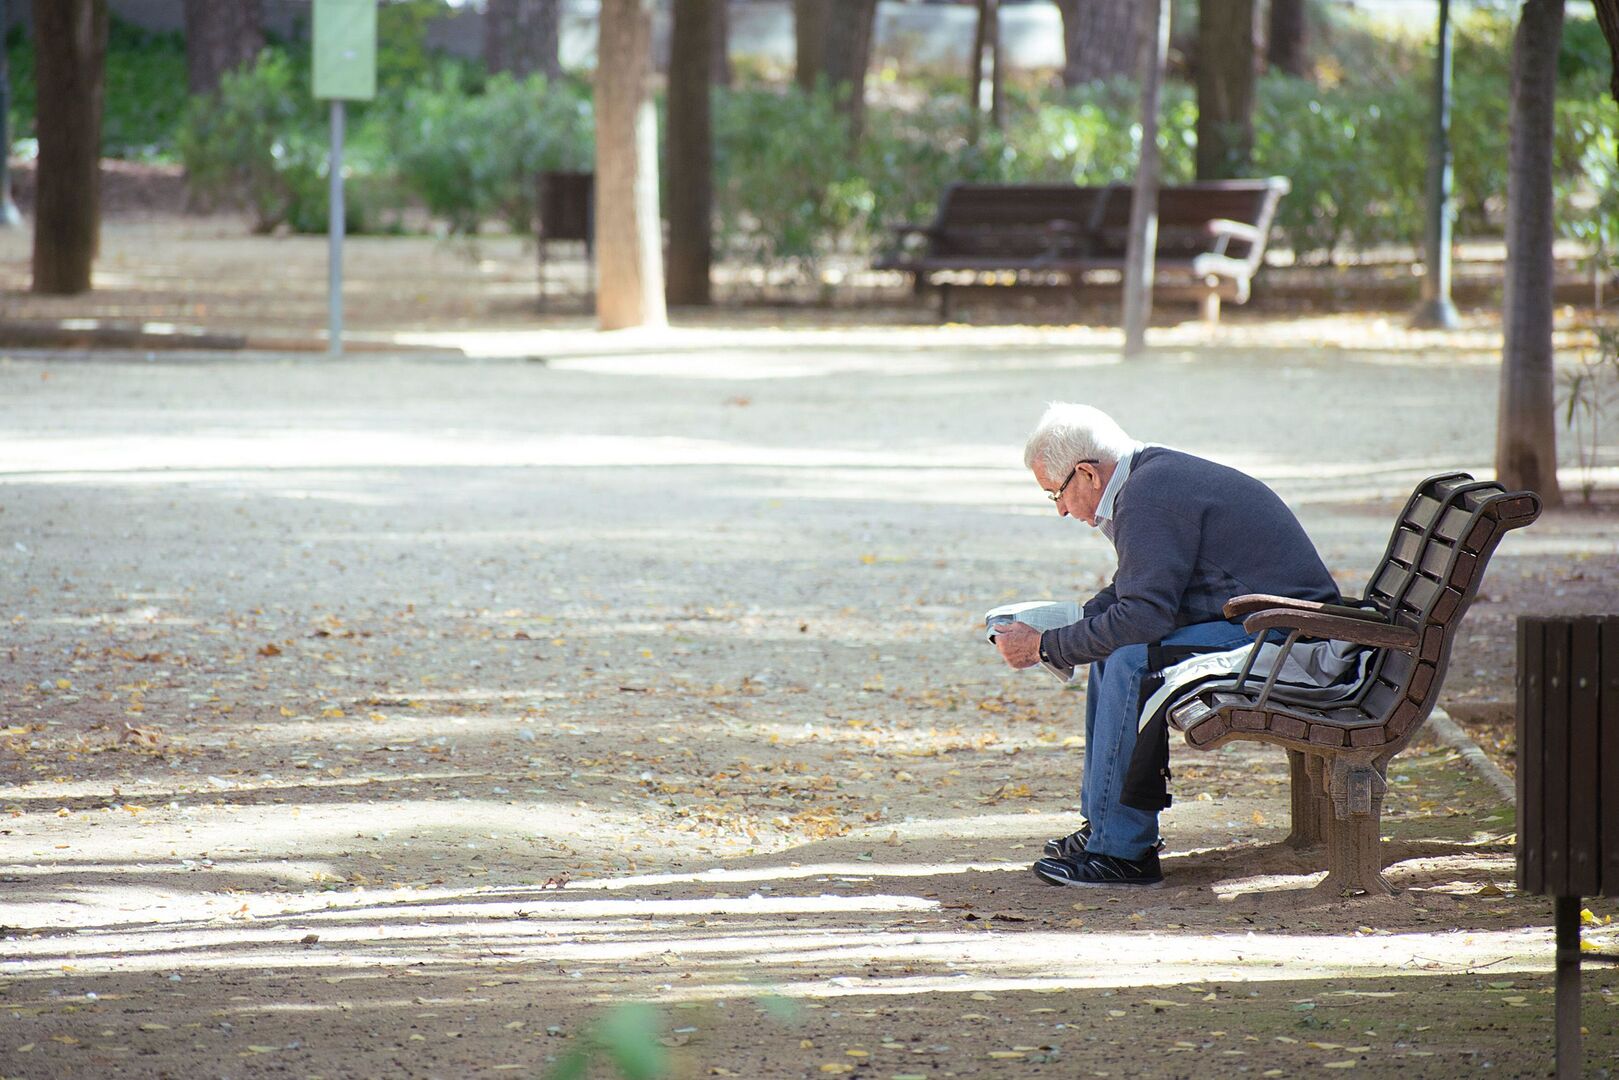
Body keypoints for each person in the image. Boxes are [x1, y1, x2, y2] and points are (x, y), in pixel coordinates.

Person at [992, 403, 1339, 887]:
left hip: (1292, 638)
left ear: (1088, 473)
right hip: (1268, 625)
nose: (1062, 511)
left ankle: (1124, 853)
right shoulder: (1149, 480)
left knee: (1133, 658)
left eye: (1057, 494)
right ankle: (1104, 827)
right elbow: (1140, 590)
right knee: (1115, 649)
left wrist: (1047, 647)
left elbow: (1143, 616)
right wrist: (1075, 625)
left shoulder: (1148, 496)